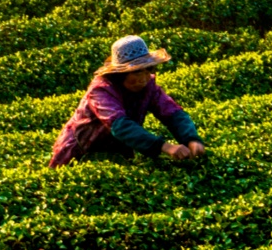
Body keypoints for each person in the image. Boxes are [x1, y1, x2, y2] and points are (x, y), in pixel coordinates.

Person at [48, 35, 207, 167]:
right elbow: (120, 125)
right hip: (81, 150)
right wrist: (164, 147)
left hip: (118, 151)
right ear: (121, 74)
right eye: (137, 72)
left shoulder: (149, 86)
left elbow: (172, 113)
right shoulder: (101, 90)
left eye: (148, 70)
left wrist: (191, 139)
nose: (144, 78)